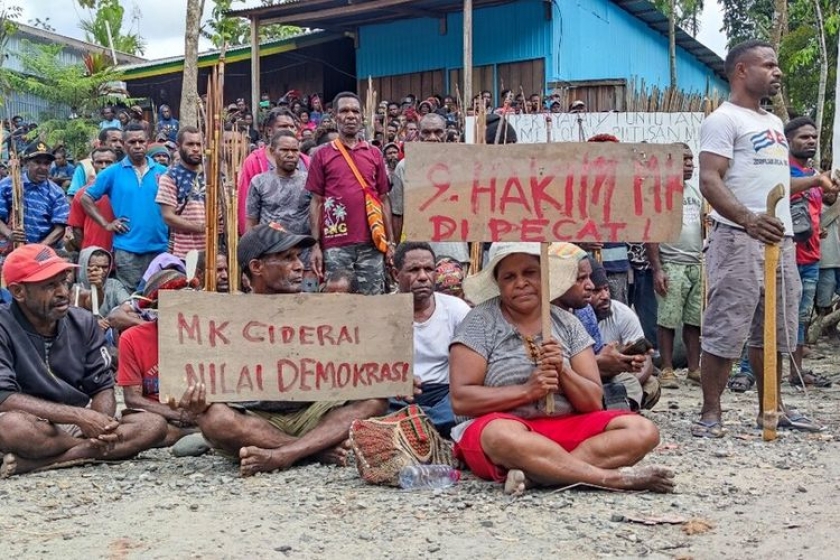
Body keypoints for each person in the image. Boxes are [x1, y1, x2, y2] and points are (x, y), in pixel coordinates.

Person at [449, 242, 674, 495]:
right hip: (505, 429)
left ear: (545, 276)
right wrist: (527, 391)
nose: (520, 283)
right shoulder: (479, 322)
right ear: (498, 284)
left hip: (563, 425)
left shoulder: (568, 324)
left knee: (643, 431)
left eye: (530, 273)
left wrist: (563, 370)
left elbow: (593, 402)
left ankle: (540, 475)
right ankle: (610, 479)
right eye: (509, 277)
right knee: (499, 435)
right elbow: (461, 400)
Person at [695, 40, 837, 438]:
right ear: (742, 70)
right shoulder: (723, 120)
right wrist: (748, 219)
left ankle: (771, 408)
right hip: (738, 236)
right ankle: (710, 413)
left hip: (780, 238)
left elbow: (776, 183)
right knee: (726, 324)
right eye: (769, 65)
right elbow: (709, 179)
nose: (778, 72)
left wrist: (816, 181)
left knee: (775, 329)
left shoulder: (774, 122)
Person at [173, 223, 388, 476]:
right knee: (214, 419)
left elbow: (357, 363)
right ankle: (314, 450)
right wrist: (194, 398)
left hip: (313, 414)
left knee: (375, 398)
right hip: (255, 421)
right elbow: (192, 381)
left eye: (297, 257)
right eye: (287, 258)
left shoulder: (321, 310)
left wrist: (386, 373)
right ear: (257, 267)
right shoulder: (223, 318)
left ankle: (284, 454)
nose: (298, 266)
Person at [0, 244, 167, 477]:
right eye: (50, 285)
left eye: (64, 281)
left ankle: (42, 462)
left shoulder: (83, 322)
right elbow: (4, 397)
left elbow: (102, 386)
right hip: (30, 421)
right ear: (18, 292)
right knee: (11, 427)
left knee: (153, 425)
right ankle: (88, 451)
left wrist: (101, 424)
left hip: (72, 427)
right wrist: (81, 416)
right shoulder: (3, 325)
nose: (63, 292)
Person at [306, 92, 395, 295]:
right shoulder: (322, 154)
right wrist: (315, 245)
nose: (350, 116)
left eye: (355, 111)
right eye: (344, 111)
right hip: (335, 243)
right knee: (339, 303)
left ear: (362, 117)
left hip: (372, 242)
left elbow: (383, 199)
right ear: (335, 116)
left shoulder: (374, 153)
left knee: (372, 302)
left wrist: (390, 242)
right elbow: (316, 202)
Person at [390, 242, 470, 437]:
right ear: (395, 274)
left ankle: (408, 427)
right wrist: (392, 380)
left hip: (444, 394)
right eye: (414, 270)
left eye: (428, 269)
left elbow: (473, 365)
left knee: (463, 404)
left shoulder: (457, 310)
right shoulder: (379, 312)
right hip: (396, 395)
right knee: (370, 404)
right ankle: (423, 427)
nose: (423, 277)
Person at [117, 269, 202, 449]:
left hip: (199, 413)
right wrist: (179, 415)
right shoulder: (131, 338)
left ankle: (195, 432)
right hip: (157, 415)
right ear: (157, 307)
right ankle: (194, 434)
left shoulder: (205, 334)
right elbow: (132, 399)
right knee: (153, 426)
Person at [82, 123, 169, 292]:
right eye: (132, 142)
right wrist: (106, 224)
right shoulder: (112, 172)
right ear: (123, 144)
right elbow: (86, 198)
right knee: (130, 298)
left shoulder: (164, 172)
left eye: (141, 141)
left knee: (158, 297)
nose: (137, 146)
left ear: (147, 142)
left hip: (160, 248)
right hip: (127, 250)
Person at [645, 143, 703, 389]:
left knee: (694, 320)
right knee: (668, 319)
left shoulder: (696, 193)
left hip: (696, 263)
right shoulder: (661, 193)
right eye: (684, 160)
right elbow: (652, 233)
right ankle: (667, 369)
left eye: (691, 160)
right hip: (672, 263)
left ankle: (694, 369)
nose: (690, 165)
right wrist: (658, 268)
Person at [785, 116, 832, 388]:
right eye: (804, 137)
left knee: (802, 319)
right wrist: (817, 180)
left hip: (811, 257)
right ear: (788, 141)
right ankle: (748, 370)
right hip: (786, 256)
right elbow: (784, 189)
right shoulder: (783, 171)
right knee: (768, 313)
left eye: (813, 137)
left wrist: (817, 229)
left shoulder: (812, 174)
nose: (811, 141)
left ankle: (796, 372)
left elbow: (809, 212)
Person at [391, 113, 468, 262]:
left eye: (438, 132)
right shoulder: (404, 167)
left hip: (454, 254)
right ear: (418, 134)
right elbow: (397, 214)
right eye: (426, 132)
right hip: (417, 256)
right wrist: (397, 250)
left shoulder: (463, 165)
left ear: (446, 133)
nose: (432, 137)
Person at [245, 131, 315, 291]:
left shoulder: (310, 180)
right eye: (284, 150)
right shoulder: (259, 182)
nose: (290, 155)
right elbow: (251, 223)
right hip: (271, 262)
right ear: (272, 151)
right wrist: (248, 263)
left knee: (307, 301)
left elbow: (316, 219)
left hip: (304, 260)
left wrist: (316, 253)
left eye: (295, 150)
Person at [588, 259, 659, 411]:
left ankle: (623, 406)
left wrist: (629, 380)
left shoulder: (622, 313)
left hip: (616, 376)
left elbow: (646, 359)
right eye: (597, 291)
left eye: (606, 289)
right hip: (586, 375)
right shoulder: (576, 315)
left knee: (651, 384)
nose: (605, 296)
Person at [237, 110, 308, 235]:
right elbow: (247, 208)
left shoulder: (306, 161)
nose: (289, 130)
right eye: (283, 126)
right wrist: (248, 239)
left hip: (303, 239)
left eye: (292, 127)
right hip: (269, 240)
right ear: (270, 131)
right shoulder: (254, 162)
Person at [0, 141, 70, 248]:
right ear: (26, 162)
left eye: (47, 163)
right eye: (37, 162)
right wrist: (9, 234)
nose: (43, 167)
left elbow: (60, 228)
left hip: (40, 251)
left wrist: (38, 248)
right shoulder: (8, 184)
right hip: (8, 249)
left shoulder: (57, 193)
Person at [156, 126, 205, 259]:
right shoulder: (170, 177)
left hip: (214, 251)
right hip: (184, 253)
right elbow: (168, 216)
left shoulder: (213, 175)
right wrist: (202, 228)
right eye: (190, 144)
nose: (195, 148)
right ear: (178, 146)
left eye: (199, 144)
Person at [67, 147, 118, 252]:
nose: (104, 166)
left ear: (116, 164)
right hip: (93, 253)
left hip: (123, 252)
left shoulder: (126, 190)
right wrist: (86, 253)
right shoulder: (81, 193)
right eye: (99, 162)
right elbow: (77, 228)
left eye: (108, 162)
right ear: (93, 164)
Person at [73, 246, 132, 323]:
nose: (101, 271)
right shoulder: (75, 289)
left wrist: (109, 319)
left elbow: (128, 304)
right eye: (96, 267)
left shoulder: (114, 284)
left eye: (104, 267)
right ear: (85, 267)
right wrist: (95, 323)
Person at [68, 128, 124, 198]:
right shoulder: (85, 167)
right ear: (101, 143)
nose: (119, 145)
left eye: (121, 141)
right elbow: (72, 198)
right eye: (114, 140)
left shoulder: (127, 166)